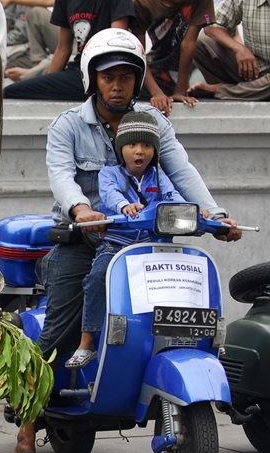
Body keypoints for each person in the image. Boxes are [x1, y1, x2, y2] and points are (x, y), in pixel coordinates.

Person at [9, 27, 242, 453]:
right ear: (92, 78)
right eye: (108, 76)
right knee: (56, 333)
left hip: (141, 243)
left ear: (138, 79)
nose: (117, 85)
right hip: (84, 242)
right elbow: (61, 176)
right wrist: (81, 207)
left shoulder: (153, 124)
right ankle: (25, 432)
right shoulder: (68, 126)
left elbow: (182, 171)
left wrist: (217, 214)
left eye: (126, 77)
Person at [65, 111, 202, 368]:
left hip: (154, 247)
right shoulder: (109, 174)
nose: (139, 151)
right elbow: (109, 195)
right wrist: (123, 206)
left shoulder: (159, 177)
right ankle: (86, 342)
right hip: (116, 245)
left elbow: (174, 197)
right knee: (97, 277)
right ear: (120, 149)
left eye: (147, 145)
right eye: (132, 145)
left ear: (155, 150)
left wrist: (197, 211)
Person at [3, 0, 134, 100]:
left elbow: (117, 45)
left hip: (108, 73)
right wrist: (47, 82)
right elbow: (63, 48)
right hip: (79, 71)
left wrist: (97, 87)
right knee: (11, 91)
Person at [130, 0, 215, 116]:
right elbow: (138, 52)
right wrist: (156, 92)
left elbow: (188, 44)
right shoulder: (142, 3)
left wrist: (180, 91)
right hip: (149, 79)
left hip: (177, 80)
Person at [188, 0, 270, 101]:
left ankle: (220, 91)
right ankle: (244, 91)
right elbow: (211, 26)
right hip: (252, 69)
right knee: (199, 43)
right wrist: (239, 48)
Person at [0, 0, 60, 80]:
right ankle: (37, 69)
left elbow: (20, 35)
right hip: (60, 42)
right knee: (35, 12)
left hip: (78, 49)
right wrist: (10, 0)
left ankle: (34, 74)